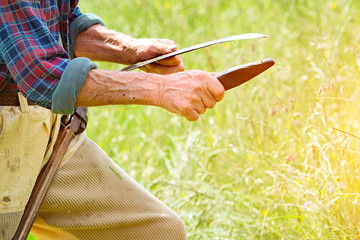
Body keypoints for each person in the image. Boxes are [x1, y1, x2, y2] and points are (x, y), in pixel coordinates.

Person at [0, 0, 225, 239]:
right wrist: (161, 89)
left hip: (47, 129)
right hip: (6, 137)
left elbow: (60, 21)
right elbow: (43, 76)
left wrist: (129, 48)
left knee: (158, 232)